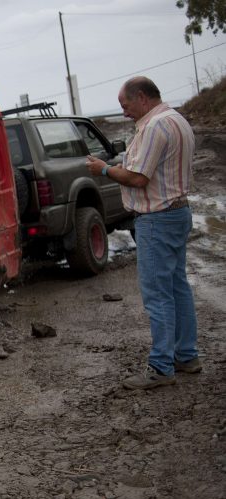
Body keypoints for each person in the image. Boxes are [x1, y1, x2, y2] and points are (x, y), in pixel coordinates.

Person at [85, 76, 200, 390]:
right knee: (177, 286)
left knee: (158, 294)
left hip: (157, 218)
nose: (124, 113)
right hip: (177, 212)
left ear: (142, 97)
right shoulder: (177, 120)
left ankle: (161, 367)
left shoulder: (154, 128)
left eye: (125, 105)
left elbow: (137, 178)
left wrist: (104, 170)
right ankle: (187, 355)